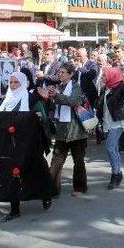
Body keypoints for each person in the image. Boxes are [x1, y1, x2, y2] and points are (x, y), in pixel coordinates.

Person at [0, 72, 52, 222]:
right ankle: (15, 209)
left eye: (16, 82)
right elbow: (0, 117)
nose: (13, 85)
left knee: (34, 170)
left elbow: (43, 117)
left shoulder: (30, 98)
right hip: (10, 143)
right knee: (12, 172)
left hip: (28, 143)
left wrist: (35, 117)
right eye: (11, 82)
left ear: (23, 83)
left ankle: (46, 194)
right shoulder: (7, 99)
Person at [39, 63, 88, 197]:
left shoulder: (76, 87)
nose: (60, 75)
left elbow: (73, 101)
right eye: (59, 72)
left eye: (63, 72)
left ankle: (80, 188)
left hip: (76, 131)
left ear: (70, 74)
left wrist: (55, 96)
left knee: (78, 161)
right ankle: (52, 189)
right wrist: (46, 98)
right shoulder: (58, 87)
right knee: (56, 161)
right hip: (62, 130)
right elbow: (53, 106)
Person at [97, 67, 124, 189]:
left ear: (112, 76)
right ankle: (118, 173)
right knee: (114, 149)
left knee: (110, 147)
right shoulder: (105, 88)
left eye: (105, 75)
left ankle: (115, 174)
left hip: (116, 123)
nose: (103, 77)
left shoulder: (120, 86)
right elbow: (101, 105)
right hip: (107, 123)